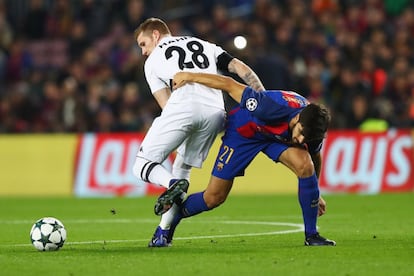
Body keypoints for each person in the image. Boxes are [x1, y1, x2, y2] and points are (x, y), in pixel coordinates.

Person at [155, 71, 336, 246]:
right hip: (243, 133)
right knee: (214, 197)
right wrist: (189, 76)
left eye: (307, 138)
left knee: (305, 165)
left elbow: (314, 156)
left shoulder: (313, 129)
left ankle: (312, 235)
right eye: (301, 133)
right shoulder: (269, 106)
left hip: (272, 138)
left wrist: (316, 191)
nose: (302, 140)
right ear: (297, 118)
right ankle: (175, 216)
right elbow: (229, 84)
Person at [131, 18, 265, 247]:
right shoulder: (204, 45)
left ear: (155, 35)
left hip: (183, 107)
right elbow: (239, 68)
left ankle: (170, 184)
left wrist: (178, 125)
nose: (143, 52)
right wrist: (264, 98)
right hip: (215, 113)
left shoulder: (153, 60)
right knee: (182, 168)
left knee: (142, 165)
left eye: (143, 44)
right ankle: (163, 233)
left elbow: (166, 104)